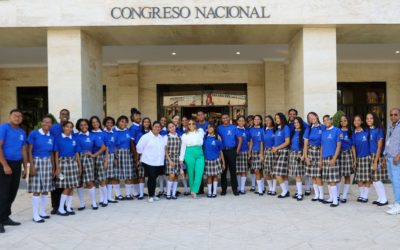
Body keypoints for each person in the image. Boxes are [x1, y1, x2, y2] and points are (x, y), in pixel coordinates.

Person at [0, 109, 28, 233]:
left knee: (12, 192)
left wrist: (25, 167)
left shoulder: (22, 131)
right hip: (5, 163)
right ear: (10, 116)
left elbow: (23, 150)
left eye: (20, 116)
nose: (17, 118)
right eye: (15, 115)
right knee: (3, 193)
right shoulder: (4, 128)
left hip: (17, 164)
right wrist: (5, 165)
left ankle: (5, 217)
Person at [27, 115, 55, 223]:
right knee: (37, 189)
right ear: (41, 122)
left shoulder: (51, 137)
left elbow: (51, 153)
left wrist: (53, 167)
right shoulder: (34, 133)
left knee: (45, 189)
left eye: (49, 122)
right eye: (45, 122)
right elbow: (29, 150)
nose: (47, 124)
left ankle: (42, 211)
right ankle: (35, 215)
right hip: (37, 161)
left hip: (47, 162)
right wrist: (32, 166)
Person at [75, 119, 106, 210]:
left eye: (85, 124)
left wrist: (93, 155)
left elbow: (103, 147)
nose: (83, 126)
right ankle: (81, 204)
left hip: (87, 159)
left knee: (89, 181)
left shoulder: (93, 136)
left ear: (88, 125)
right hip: (76, 159)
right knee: (79, 182)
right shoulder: (75, 136)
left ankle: (93, 202)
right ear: (79, 127)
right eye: (81, 125)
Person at [54, 121, 82, 216]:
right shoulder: (58, 138)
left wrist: (79, 166)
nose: (69, 129)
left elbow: (77, 153)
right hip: (63, 163)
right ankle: (61, 208)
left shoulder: (74, 139)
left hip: (73, 163)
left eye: (71, 127)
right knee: (67, 186)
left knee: (72, 186)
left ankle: (69, 207)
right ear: (63, 128)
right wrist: (57, 167)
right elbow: (56, 153)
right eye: (67, 127)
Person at [136, 121, 167, 203]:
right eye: (156, 126)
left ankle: (153, 194)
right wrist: (145, 154)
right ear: (152, 127)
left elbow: (162, 149)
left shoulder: (161, 137)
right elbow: (139, 147)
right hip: (148, 161)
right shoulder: (146, 137)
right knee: (151, 178)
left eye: (159, 127)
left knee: (154, 178)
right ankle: (150, 196)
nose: (157, 128)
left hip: (158, 162)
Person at [49, 109, 70, 215]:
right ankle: (55, 206)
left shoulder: (69, 129)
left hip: (65, 160)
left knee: (63, 183)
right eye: (63, 114)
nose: (65, 116)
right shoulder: (54, 127)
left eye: (66, 114)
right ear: (59, 116)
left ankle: (63, 205)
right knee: (56, 183)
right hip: (54, 157)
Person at [366, 112, 388, 206]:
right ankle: (380, 198)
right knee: (374, 179)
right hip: (371, 155)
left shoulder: (379, 130)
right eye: (367, 119)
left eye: (371, 118)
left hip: (377, 156)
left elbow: (379, 146)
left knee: (377, 179)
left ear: (375, 119)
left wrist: (375, 161)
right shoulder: (370, 130)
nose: (369, 120)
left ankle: (384, 199)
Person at [180, 119, 205, 199]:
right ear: (187, 125)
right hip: (189, 153)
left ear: (195, 124)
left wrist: (217, 135)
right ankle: (193, 191)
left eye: (193, 123)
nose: (191, 125)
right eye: (189, 124)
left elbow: (210, 132)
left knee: (199, 172)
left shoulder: (200, 131)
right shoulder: (184, 135)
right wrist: (181, 159)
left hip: (200, 153)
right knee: (191, 173)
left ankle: (194, 190)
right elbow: (183, 148)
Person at [320, 115, 341, 207]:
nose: (326, 121)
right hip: (325, 158)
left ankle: (335, 200)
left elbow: (338, 145)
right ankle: (331, 198)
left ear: (331, 120)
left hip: (332, 157)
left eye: (327, 119)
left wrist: (334, 158)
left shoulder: (337, 130)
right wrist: (320, 160)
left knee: (332, 180)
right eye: (324, 120)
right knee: (328, 180)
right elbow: (322, 146)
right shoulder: (324, 132)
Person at [304, 112, 325, 202]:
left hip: (320, 152)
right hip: (310, 152)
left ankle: (321, 195)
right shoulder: (308, 129)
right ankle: (316, 194)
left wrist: (321, 159)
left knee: (318, 175)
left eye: (312, 116)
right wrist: (306, 157)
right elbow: (305, 144)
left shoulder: (323, 127)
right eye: (309, 117)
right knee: (313, 175)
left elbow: (324, 143)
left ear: (317, 116)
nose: (311, 118)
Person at [89, 116, 109, 207]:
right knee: (93, 180)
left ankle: (105, 199)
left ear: (99, 122)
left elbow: (106, 148)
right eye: (93, 122)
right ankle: (98, 199)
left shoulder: (104, 133)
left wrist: (106, 160)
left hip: (101, 158)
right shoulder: (89, 133)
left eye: (96, 122)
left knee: (102, 179)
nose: (95, 124)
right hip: (91, 159)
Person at [114, 115, 135, 200]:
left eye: (125, 122)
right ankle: (118, 194)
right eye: (121, 121)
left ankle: (128, 194)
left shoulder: (128, 131)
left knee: (128, 175)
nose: (123, 123)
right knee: (116, 175)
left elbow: (131, 143)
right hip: (117, 154)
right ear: (118, 122)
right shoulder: (114, 131)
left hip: (127, 154)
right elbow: (112, 144)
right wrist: (115, 156)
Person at [217, 114, 239, 196]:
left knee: (233, 171)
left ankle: (235, 189)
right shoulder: (219, 128)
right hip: (223, 151)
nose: (225, 119)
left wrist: (237, 150)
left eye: (226, 117)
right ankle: (223, 189)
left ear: (229, 118)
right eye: (223, 118)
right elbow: (216, 137)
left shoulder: (234, 127)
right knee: (223, 171)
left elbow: (239, 138)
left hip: (232, 150)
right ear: (221, 119)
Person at [384, 108, 400, 215]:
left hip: (396, 158)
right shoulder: (390, 126)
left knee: (396, 181)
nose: (393, 116)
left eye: (395, 114)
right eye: (391, 115)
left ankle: (398, 204)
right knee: (393, 181)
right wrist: (385, 157)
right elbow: (387, 141)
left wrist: (398, 156)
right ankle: (396, 202)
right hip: (389, 157)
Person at [352, 115, 371, 203]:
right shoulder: (353, 133)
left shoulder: (367, 131)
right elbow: (353, 148)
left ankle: (365, 196)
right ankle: (361, 194)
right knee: (359, 178)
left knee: (367, 178)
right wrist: (355, 160)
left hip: (367, 157)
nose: (357, 122)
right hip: (359, 158)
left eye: (358, 120)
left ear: (361, 122)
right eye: (355, 120)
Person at [272, 113, 291, 198]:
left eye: (278, 118)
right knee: (283, 173)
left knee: (277, 173)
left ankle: (284, 191)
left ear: (282, 118)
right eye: (275, 118)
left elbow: (287, 142)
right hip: (277, 152)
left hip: (283, 151)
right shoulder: (277, 129)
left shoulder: (285, 127)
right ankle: (286, 191)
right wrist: (274, 147)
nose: (277, 120)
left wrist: (277, 148)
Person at [204, 123, 225, 198]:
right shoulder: (205, 138)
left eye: (211, 127)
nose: (209, 129)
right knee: (209, 176)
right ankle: (209, 192)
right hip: (207, 159)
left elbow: (221, 151)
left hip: (216, 159)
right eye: (208, 127)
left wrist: (223, 162)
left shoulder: (217, 138)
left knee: (215, 176)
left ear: (214, 129)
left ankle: (214, 192)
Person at [289, 117, 306, 201]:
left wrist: (303, 155)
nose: (296, 124)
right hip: (292, 153)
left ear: (301, 123)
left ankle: (300, 193)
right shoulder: (293, 132)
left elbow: (305, 145)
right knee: (296, 175)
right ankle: (298, 191)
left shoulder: (303, 132)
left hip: (299, 154)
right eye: (294, 123)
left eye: (297, 122)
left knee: (298, 174)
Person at [102, 117, 118, 204]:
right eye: (108, 122)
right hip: (104, 156)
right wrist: (106, 160)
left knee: (111, 177)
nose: (109, 124)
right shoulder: (102, 133)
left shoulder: (114, 133)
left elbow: (114, 146)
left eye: (111, 123)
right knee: (103, 177)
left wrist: (115, 157)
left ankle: (109, 196)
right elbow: (104, 147)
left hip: (112, 155)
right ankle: (103, 198)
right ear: (105, 123)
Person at [338, 115, 353, 203]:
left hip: (347, 154)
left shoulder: (351, 131)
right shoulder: (337, 131)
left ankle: (344, 195)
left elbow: (353, 144)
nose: (343, 122)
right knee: (338, 175)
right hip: (339, 154)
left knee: (347, 175)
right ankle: (337, 194)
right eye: (341, 121)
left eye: (345, 120)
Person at [129, 108, 144, 199]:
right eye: (136, 116)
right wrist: (135, 155)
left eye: (139, 115)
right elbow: (131, 142)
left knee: (140, 172)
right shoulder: (133, 128)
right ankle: (135, 192)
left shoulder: (140, 126)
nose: (138, 117)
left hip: (142, 153)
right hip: (135, 153)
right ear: (132, 118)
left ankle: (140, 191)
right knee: (135, 172)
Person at [249, 115, 265, 196]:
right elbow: (250, 142)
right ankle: (261, 188)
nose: (256, 120)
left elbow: (262, 142)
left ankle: (261, 189)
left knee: (259, 170)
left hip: (262, 151)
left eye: (258, 119)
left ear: (261, 121)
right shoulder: (250, 130)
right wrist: (249, 152)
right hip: (254, 152)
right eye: (255, 119)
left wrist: (262, 154)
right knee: (257, 170)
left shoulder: (263, 130)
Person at [165, 122, 181, 200]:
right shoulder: (166, 137)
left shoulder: (179, 136)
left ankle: (174, 194)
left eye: (173, 126)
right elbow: (165, 150)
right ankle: (168, 193)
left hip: (177, 158)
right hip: (170, 159)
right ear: (168, 129)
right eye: (170, 127)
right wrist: (169, 160)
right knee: (171, 175)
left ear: (175, 127)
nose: (172, 128)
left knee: (176, 176)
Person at [235, 116, 250, 194]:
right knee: (237, 170)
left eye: (242, 121)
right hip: (236, 152)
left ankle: (242, 188)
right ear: (237, 122)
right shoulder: (235, 129)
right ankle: (238, 187)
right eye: (239, 121)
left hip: (244, 151)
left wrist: (249, 152)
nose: (241, 122)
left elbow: (249, 142)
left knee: (244, 170)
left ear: (244, 122)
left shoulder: (246, 131)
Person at [263, 115, 277, 195]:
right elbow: (262, 143)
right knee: (267, 171)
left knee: (274, 171)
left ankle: (274, 189)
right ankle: (270, 188)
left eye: (269, 120)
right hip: (266, 151)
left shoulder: (276, 130)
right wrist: (262, 154)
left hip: (274, 151)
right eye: (266, 120)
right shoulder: (264, 130)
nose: (267, 122)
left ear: (272, 121)